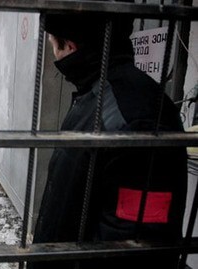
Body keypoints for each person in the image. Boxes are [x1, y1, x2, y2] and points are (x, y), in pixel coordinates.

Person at [31, 2, 188, 269]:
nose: (54, 54)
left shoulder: (126, 114)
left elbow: (136, 241)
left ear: (70, 46)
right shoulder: (103, 96)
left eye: (53, 45)